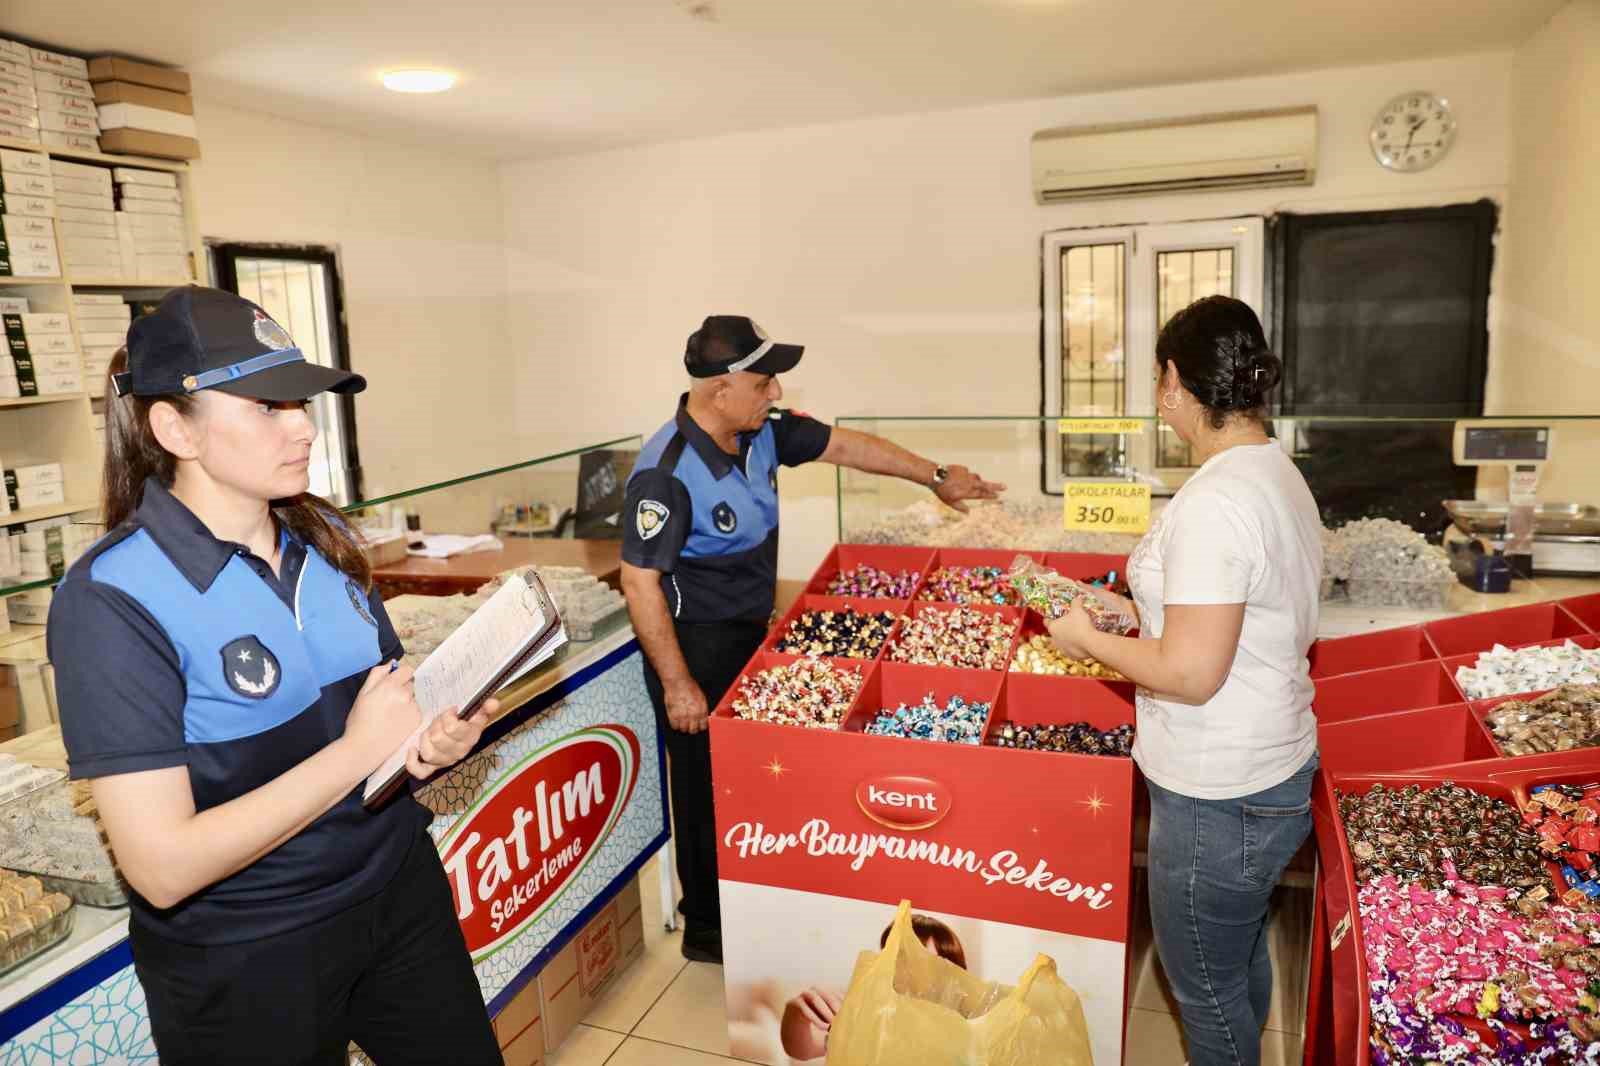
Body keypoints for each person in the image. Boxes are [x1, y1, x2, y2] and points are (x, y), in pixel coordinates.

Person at [46, 288, 503, 1066]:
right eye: (266, 405)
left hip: (396, 895)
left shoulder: (323, 545)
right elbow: (161, 868)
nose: (302, 425)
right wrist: (359, 752)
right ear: (172, 428)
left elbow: (376, 722)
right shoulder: (110, 600)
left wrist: (424, 744)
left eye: (300, 401)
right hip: (248, 952)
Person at [621, 315, 1004, 964]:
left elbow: (848, 448)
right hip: (695, 647)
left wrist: (935, 476)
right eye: (766, 382)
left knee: (753, 783)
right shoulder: (666, 471)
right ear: (722, 389)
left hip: (750, 635)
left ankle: (757, 902)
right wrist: (678, 684)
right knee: (704, 794)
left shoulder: (760, 432)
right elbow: (638, 583)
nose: (776, 395)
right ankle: (709, 930)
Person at [1046, 295, 1321, 1066]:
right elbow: (1237, 613)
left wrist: (1084, 644)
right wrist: (1132, 613)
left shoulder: (1215, 503)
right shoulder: (1271, 470)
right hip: (1272, 762)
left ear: (1173, 382)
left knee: (1200, 986)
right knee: (1235, 961)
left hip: (1217, 790)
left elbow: (1194, 673)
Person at [780, 913, 968, 1061]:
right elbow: (802, 1050)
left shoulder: (963, 1035)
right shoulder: (873, 1019)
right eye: (897, 959)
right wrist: (796, 1015)